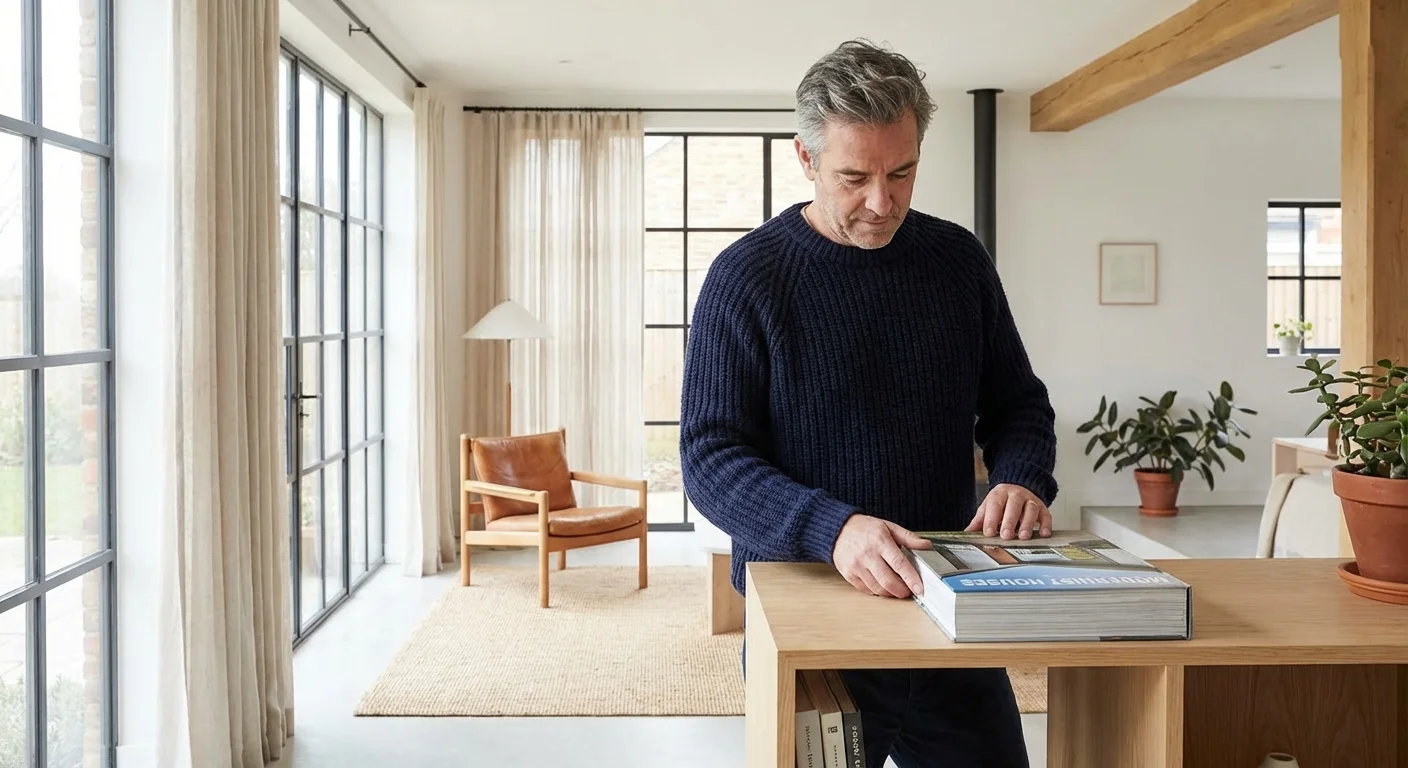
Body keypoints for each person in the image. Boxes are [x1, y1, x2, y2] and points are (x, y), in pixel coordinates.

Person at [678, 39, 1058, 768]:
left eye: (903, 171)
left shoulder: (958, 261)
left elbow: (1019, 406)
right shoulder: (745, 278)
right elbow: (710, 458)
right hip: (806, 613)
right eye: (855, 177)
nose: (883, 201)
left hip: (945, 604)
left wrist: (1021, 478)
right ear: (806, 158)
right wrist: (833, 528)